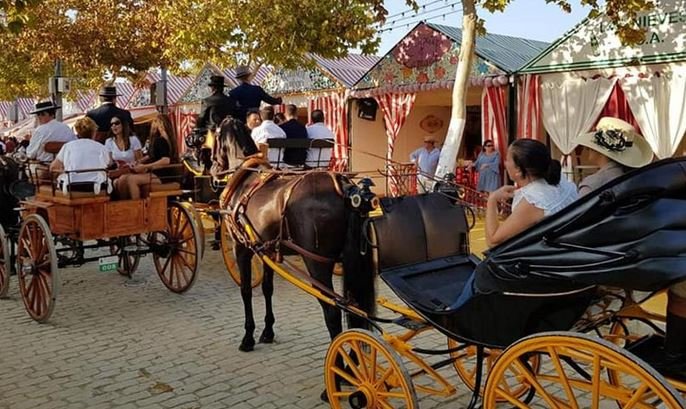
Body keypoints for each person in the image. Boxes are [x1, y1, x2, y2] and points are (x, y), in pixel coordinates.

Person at [486, 139, 577, 248]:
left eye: (507, 159)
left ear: (519, 170)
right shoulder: (561, 181)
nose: (505, 163)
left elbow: (493, 241)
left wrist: (492, 200)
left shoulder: (533, 199)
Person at [575, 117, 653, 196]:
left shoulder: (592, 185)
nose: (588, 149)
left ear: (597, 150)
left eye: (589, 147)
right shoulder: (637, 179)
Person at [118, 114, 177, 200]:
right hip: (161, 173)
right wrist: (137, 162)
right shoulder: (170, 141)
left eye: (154, 122)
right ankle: (126, 205)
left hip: (162, 175)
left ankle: (137, 207)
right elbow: (151, 155)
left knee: (131, 180)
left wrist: (145, 166)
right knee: (123, 178)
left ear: (159, 124)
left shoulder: (160, 140)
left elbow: (165, 160)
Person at [50, 117, 111, 193]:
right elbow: (109, 163)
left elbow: (53, 167)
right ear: (94, 132)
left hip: (71, 186)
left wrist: (64, 170)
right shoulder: (101, 147)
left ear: (78, 132)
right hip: (97, 187)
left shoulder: (68, 146)